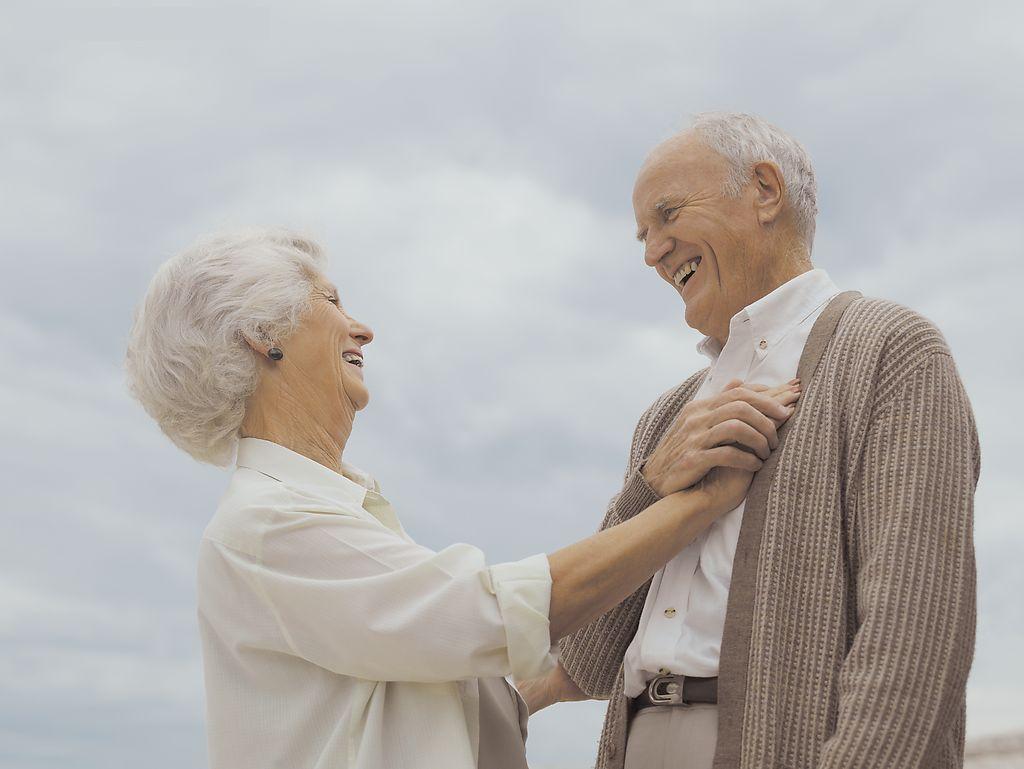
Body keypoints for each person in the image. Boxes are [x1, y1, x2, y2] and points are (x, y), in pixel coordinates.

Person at [124, 228, 799, 769]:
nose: (361, 329)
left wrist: (557, 679)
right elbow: (483, 616)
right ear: (261, 335)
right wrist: (699, 499)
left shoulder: (320, 512)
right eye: (332, 302)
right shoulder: (268, 523)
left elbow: (425, 675)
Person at [520, 112, 980, 769]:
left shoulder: (891, 350)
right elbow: (592, 653)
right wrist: (651, 483)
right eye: (643, 235)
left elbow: (914, 635)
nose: (652, 251)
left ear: (765, 191)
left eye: (668, 214)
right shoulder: (667, 415)